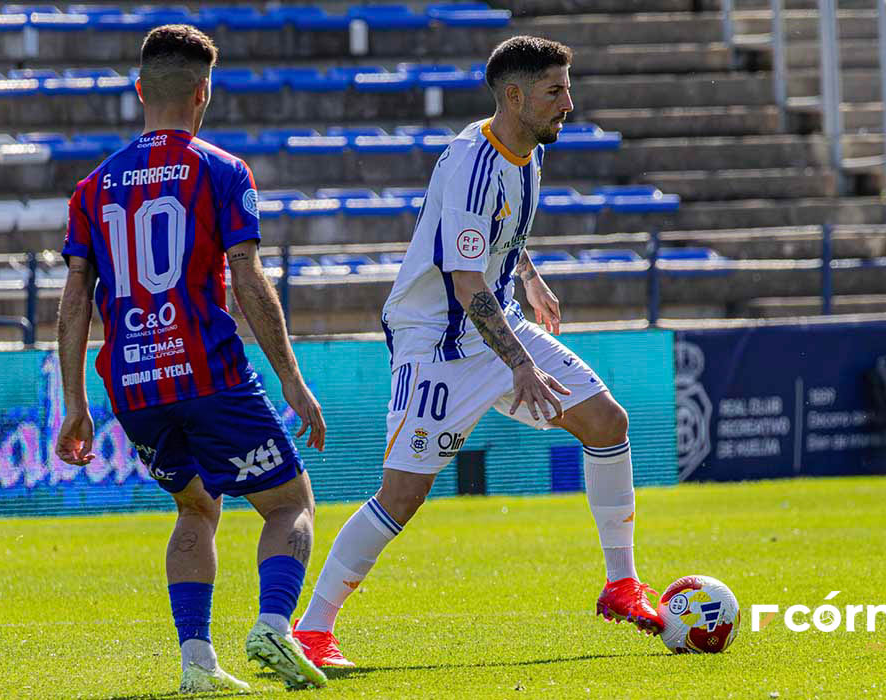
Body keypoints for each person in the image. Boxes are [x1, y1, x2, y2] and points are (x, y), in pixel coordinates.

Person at [292, 35, 665, 668]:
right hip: (436, 343)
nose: (568, 103)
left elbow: (498, 233)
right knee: (402, 496)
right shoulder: (472, 163)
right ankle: (312, 629)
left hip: (497, 322)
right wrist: (521, 362)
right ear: (514, 96)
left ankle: (621, 585)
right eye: (555, 91)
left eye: (568, 88)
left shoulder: (527, 150)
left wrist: (528, 275)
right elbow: (465, 282)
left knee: (607, 422)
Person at [53, 24, 327, 693]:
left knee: (196, 508)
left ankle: (197, 662)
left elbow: (74, 298)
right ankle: (274, 626)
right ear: (203, 92)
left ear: (139, 90)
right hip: (207, 370)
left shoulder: (93, 187)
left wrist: (75, 404)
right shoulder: (222, 170)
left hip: (133, 382)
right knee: (289, 502)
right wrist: (291, 379)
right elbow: (249, 279)